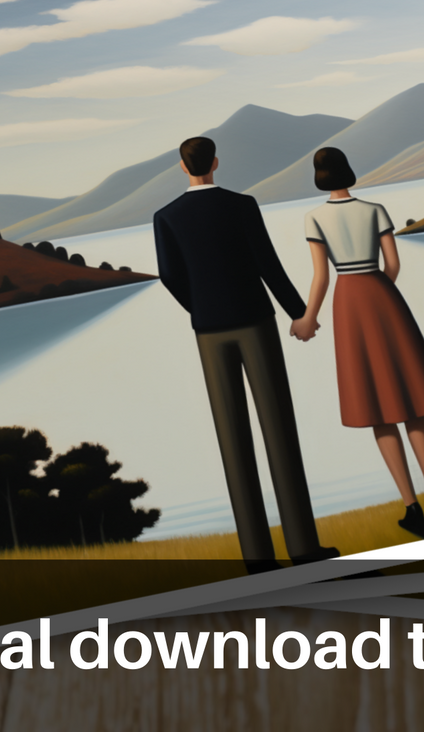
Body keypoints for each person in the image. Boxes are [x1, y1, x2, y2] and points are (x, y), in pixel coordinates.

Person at [153, 135, 338, 572]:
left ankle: (257, 557)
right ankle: (303, 547)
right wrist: (300, 314)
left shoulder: (166, 217)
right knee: (279, 428)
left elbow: (169, 275)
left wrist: (201, 307)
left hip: (208, 331)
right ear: (215, 163)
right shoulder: (242, 205)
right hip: (255, 320)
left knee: (231, 438)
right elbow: (266, 263)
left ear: (182, 167)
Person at [289, 146, 424, 540]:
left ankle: (411, 507)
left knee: (377, 408)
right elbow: (393, 265)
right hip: (383, 296)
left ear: (319, 176)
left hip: (349, 302)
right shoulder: (375, 210)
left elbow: (321, 277)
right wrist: (380, 294)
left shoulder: (314, 217)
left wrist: (308, 318)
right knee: (413, 403)